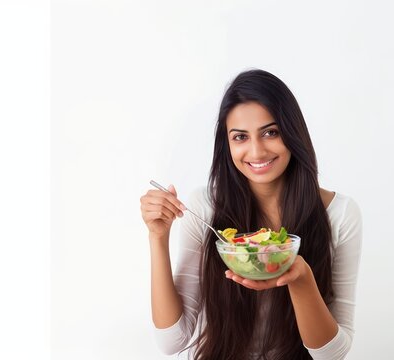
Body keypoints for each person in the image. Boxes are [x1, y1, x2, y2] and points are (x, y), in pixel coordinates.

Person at [139, 69, 362, 360]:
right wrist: (158, 237)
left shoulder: (340, 214)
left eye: (271, 132)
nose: (256, 152)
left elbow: (331, 354)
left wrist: (301, 279)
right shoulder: (205, 206)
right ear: (227, 144)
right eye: (240, 137)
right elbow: (172, 341)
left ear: (292, 133)